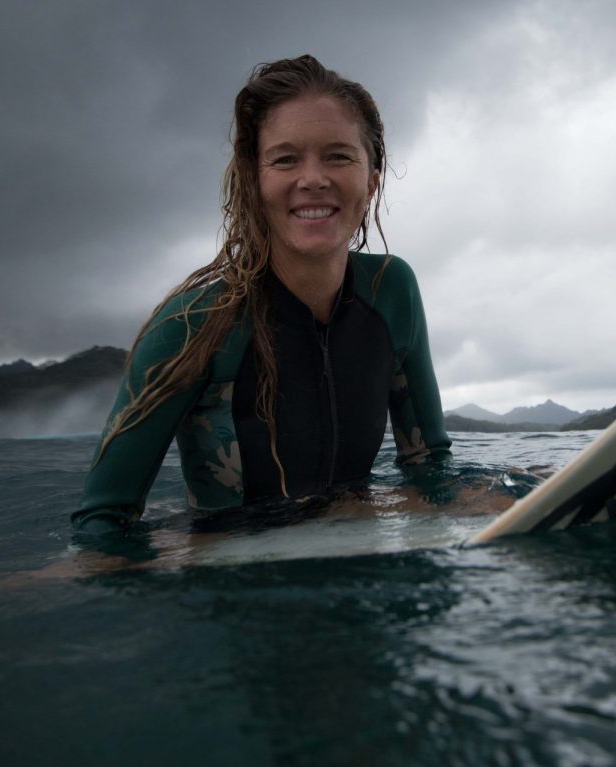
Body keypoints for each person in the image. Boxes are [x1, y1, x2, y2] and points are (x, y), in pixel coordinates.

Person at [73, 55, 451, 537]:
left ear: (372, 180)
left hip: (364, 585)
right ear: (255, 182)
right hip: (240, 591)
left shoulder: (392, 290)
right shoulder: (193, 325)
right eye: (285, 159)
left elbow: (431, 466)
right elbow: (101, 523)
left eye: (338, 156)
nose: (313, 178)